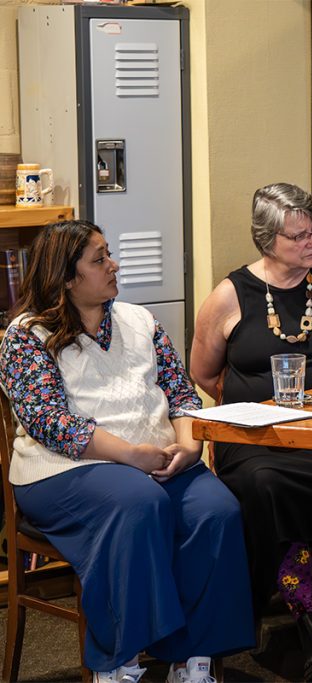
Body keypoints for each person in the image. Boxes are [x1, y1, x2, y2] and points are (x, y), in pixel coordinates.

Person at [0, 220, 253, 683]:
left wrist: (189, 448)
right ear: (66, 277)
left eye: (108, 253)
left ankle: (192, 660)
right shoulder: (25, 335)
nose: (113, 265)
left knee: (217, 510)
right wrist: (130, 456)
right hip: (61, 470)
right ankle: (118, 660)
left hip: (156, 461)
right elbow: (49, 422)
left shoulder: (141, 321)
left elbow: (183, 397)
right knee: (138, 503)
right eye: (99, 260)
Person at [191, 183, 312, 682]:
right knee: (269, 485)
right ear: (266, 241)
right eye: (298, 237)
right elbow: (204, 374)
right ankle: (308, 615)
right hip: (256, 443)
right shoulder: (229, 296)